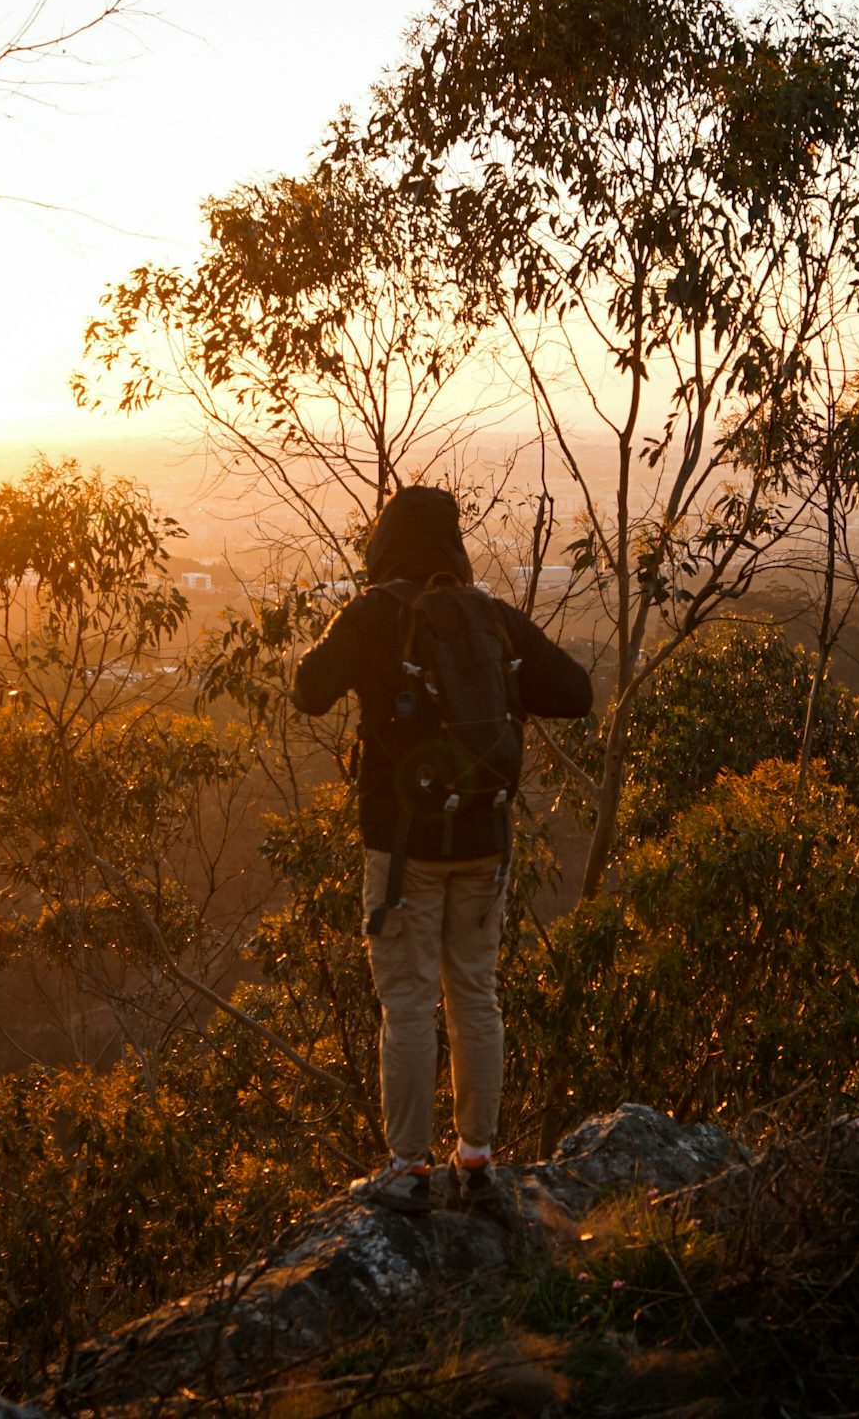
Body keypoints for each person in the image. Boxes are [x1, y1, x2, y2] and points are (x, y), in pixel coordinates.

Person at [291, 485, 592, 1217]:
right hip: (485, 843)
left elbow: (307, 690)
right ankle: (479, 1161)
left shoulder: (373, 615)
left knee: (407, 1003)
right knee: (475, 996)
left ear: (385, 544)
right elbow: (576, 692)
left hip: (403, 850)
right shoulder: (490, 616)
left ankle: (407, 1168)